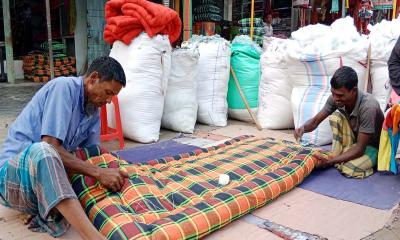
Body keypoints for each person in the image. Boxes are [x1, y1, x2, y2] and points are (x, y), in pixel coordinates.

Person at [0, 56, 127, 239]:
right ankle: (93, 237)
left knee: (92, 164)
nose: (109, 101)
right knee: (45, 150)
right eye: (108, 92)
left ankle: (44, 207)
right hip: (11, 180)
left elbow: (89, 156)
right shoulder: (64, 88)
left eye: (113, 96)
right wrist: (99, 173)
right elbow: (50, 145)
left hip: (38, 187)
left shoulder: (93, 110)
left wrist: (112, 167)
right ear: (93, 78)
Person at [294, 66, 384, 178]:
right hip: (356, 142)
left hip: (373, 146)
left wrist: (330, 162)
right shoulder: (335, 99)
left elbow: (360, 149)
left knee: (349, 168)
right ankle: (337, 157)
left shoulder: (369, 106)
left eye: (340, 95)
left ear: (354, 91)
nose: (336, 99)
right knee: (336, 117)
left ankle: (369, 161)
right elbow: (315, 121)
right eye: (333, 93)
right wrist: (302, 129)